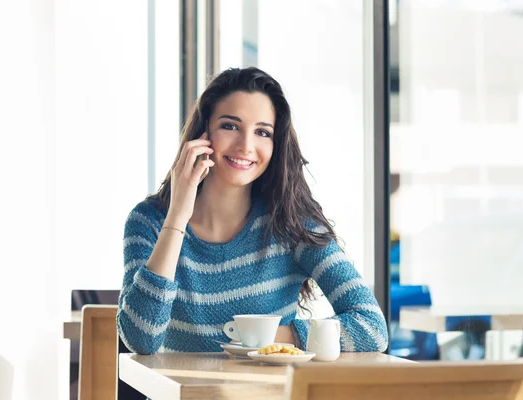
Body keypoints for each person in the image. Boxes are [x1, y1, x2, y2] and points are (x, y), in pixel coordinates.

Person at [117, 67, 388, 354]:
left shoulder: (292, 223)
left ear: (275, 143)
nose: (246, 145)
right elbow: (140, 339)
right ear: (203, 131)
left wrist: (266, 336)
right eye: (230, 126)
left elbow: (372, 327)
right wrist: (176, 218)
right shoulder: (147, 221)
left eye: (262, 132)